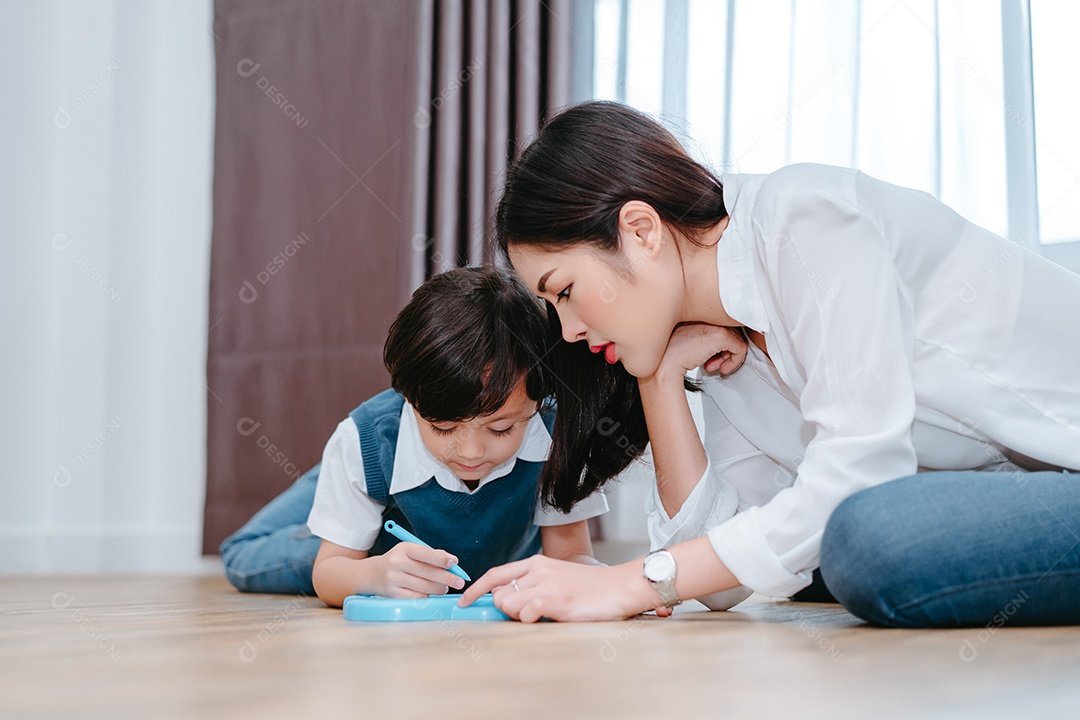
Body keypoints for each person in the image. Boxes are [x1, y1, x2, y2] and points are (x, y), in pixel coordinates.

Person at [459, 100, 1080, 627]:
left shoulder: (803, 220)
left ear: (641, 231)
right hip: (1034, 492)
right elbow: (721, 581)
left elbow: (860, 476)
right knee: (826, 544)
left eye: (566, 291)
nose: (568, 331)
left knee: (866, 534)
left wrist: (629, 583)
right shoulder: (726, 346)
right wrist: (659, 377)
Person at [220, 266, 607, 607]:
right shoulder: (363, 443)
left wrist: (595, 580)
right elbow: (330, 572)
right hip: (373, 491)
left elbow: (570, 556)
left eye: (500, 428)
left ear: (539, 402)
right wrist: (371, 574)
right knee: (254, 554)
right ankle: (340, 508)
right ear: (409, 400)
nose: (471, 451)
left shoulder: (561, 435)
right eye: (444, 427)